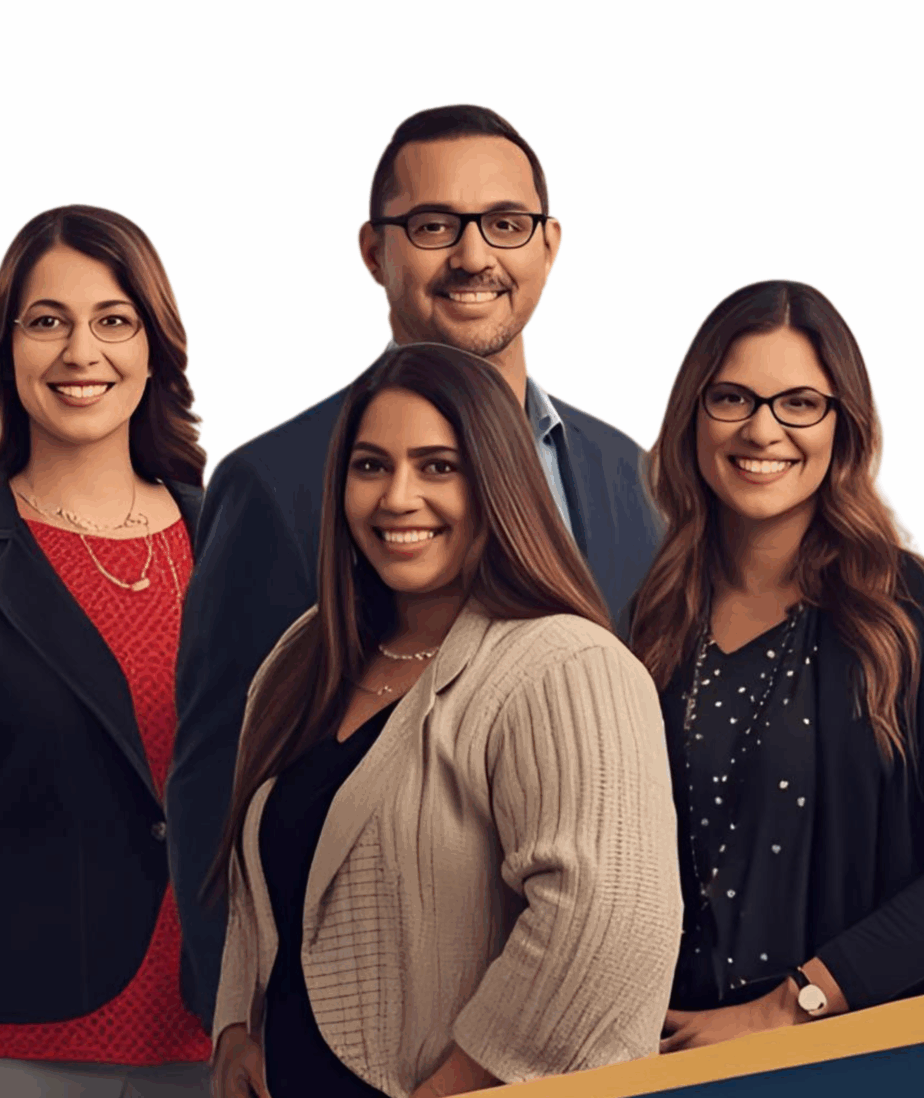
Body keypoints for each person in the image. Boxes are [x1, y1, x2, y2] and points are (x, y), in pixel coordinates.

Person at [167, 104, 664, 1021]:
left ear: (549, 245)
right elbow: (214, 790)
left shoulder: (632, 477)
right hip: (353, 1027)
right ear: (374, 251)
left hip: (586, 1014)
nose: (473, 255)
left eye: (506, 224)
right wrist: (236, 1020)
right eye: (434, 226)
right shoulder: (275, 484)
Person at [207, 343, 677, 1098]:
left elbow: (606, 927)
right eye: (370, 466)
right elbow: (259, 877)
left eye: (437, 466)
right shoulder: (305, 655)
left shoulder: (566, 666)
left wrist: (457, 1086)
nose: (397, 498)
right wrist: (236, 1024)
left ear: (499, 481)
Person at [0, 207, 213, 1098]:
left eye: (114, 321)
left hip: (220, 1028)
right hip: (14, 1036)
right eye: (48, 322)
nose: (83, 352)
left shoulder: (228, 536)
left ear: (155, 349)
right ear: (6, 350)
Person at [624, 281, 924, 1050]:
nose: (762, 429)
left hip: (872, 1059)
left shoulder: (921, 613)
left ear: (842, 427)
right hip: (668, 1061)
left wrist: (789, 1009)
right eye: (732, 398)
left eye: (799, 403)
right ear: (694, 415)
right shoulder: (644, 624)